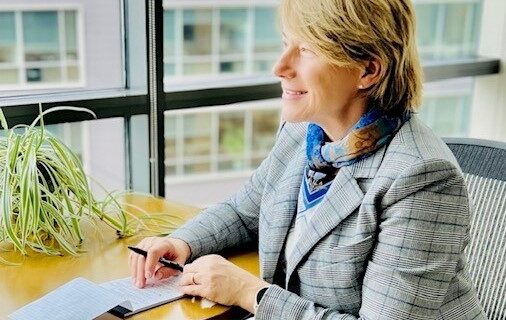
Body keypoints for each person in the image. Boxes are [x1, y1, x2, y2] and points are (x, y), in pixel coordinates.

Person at [129, 0, 486, 318]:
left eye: (308, 48)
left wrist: (249, 293)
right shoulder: (304, 134)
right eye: (286, 43)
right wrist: (180, 243)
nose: (280, 67)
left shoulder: (422, 177)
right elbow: (244, 212)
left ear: (367, 70)